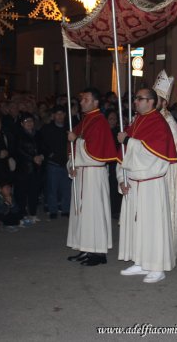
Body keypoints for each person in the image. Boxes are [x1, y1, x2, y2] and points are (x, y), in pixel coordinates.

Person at [116, 88, 177, 283]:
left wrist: (128, 140)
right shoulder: (136, 122)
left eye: (139, 99)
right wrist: (121, 179)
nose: (135, 102)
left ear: (151, 102)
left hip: (151, 184)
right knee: (137, 225)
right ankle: (140, 261)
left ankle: (157, 266)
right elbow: (124, 155)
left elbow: (153, 155)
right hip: (134, 183)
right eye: (135, 98)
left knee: (152, 226)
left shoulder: (158, 123)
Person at [66, 88, 117, 266]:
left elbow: (95, 150)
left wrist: (76, 141)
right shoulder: (86, 120)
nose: (81, 102)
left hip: (94, 174)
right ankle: (85, 247)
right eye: (81, 99)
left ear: (96, 102)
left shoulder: (99, 121)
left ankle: (98, 252)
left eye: (86, 99)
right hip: (82, 172)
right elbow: (74, 147)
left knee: (93, 211)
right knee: (82, 212)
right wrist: (71, 164)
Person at [152, 70, 177, 255]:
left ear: (165, 102)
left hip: (164, 175)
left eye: (157, 99)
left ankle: (163, 253)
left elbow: (170, 154)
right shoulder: (152, 119)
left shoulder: (169, 122)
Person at [39, 105, 71, 219]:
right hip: (53, 163)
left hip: (66, 163)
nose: (60, 116)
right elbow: (42, 144)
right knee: (52, 188)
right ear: (53, 116)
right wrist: (49, 155)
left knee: (66, 188)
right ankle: (53, 210)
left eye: (62, 114)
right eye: (57, 114)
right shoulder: (47, 128)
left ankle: (65, 209)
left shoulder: (68, 128)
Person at [14, 112, 43, 221]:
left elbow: (43, 147)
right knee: (22, 192)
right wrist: (32, 158)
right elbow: (18, 151)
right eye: (26, 121)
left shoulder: (38, 134)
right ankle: (22, 214)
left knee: (34, 192)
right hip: (24, 168)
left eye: (31, 121)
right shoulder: (18, 135)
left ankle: (33, 213)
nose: (29, 123)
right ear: (22, 123)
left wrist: (41, 156)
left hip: (36, 168)